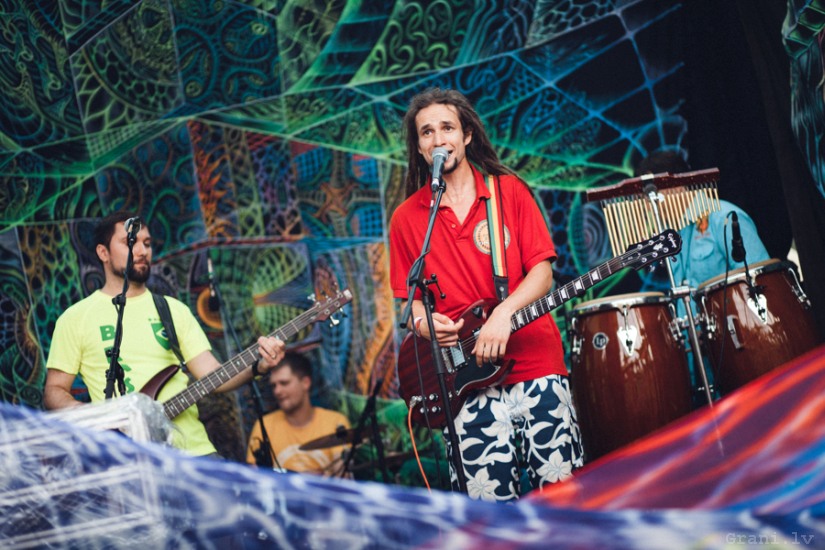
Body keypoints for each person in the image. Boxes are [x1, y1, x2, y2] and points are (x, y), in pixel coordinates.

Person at [388, 88, 583, 502]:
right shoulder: (407, 218)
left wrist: (505, 313)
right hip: (463, 385)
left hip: (534, 366)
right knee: (488, 517)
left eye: (447, 128)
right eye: (427, 132)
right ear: (419, 147)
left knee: (563, 500)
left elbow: (543, 273)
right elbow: (411, 303)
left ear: (467, 135)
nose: (438, 139)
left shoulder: (507, 192)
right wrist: (425, 325)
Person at [44, 210, 286, 457]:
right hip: (132, 459)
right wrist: (100, 419)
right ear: (103, 253)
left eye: (147, 243)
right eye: (131, 242)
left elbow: (214, 375)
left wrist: (258, 366)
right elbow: (54, 391)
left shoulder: (173, 310)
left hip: (194, 452)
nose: (142, 251)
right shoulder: (75, 318)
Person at [634, 150, 771, 290]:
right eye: (644, 198)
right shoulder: (669, 234)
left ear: (676, 185)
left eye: (651, 195)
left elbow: (762, 280)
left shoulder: (723, 217)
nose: (648, 206)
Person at [245, 352, 351, 475]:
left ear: (305, 383)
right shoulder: (264, 425)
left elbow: (344, 476)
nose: (277, 391)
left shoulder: (335, 422)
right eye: (274, 386)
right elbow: (254, 476)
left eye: (284, 383)